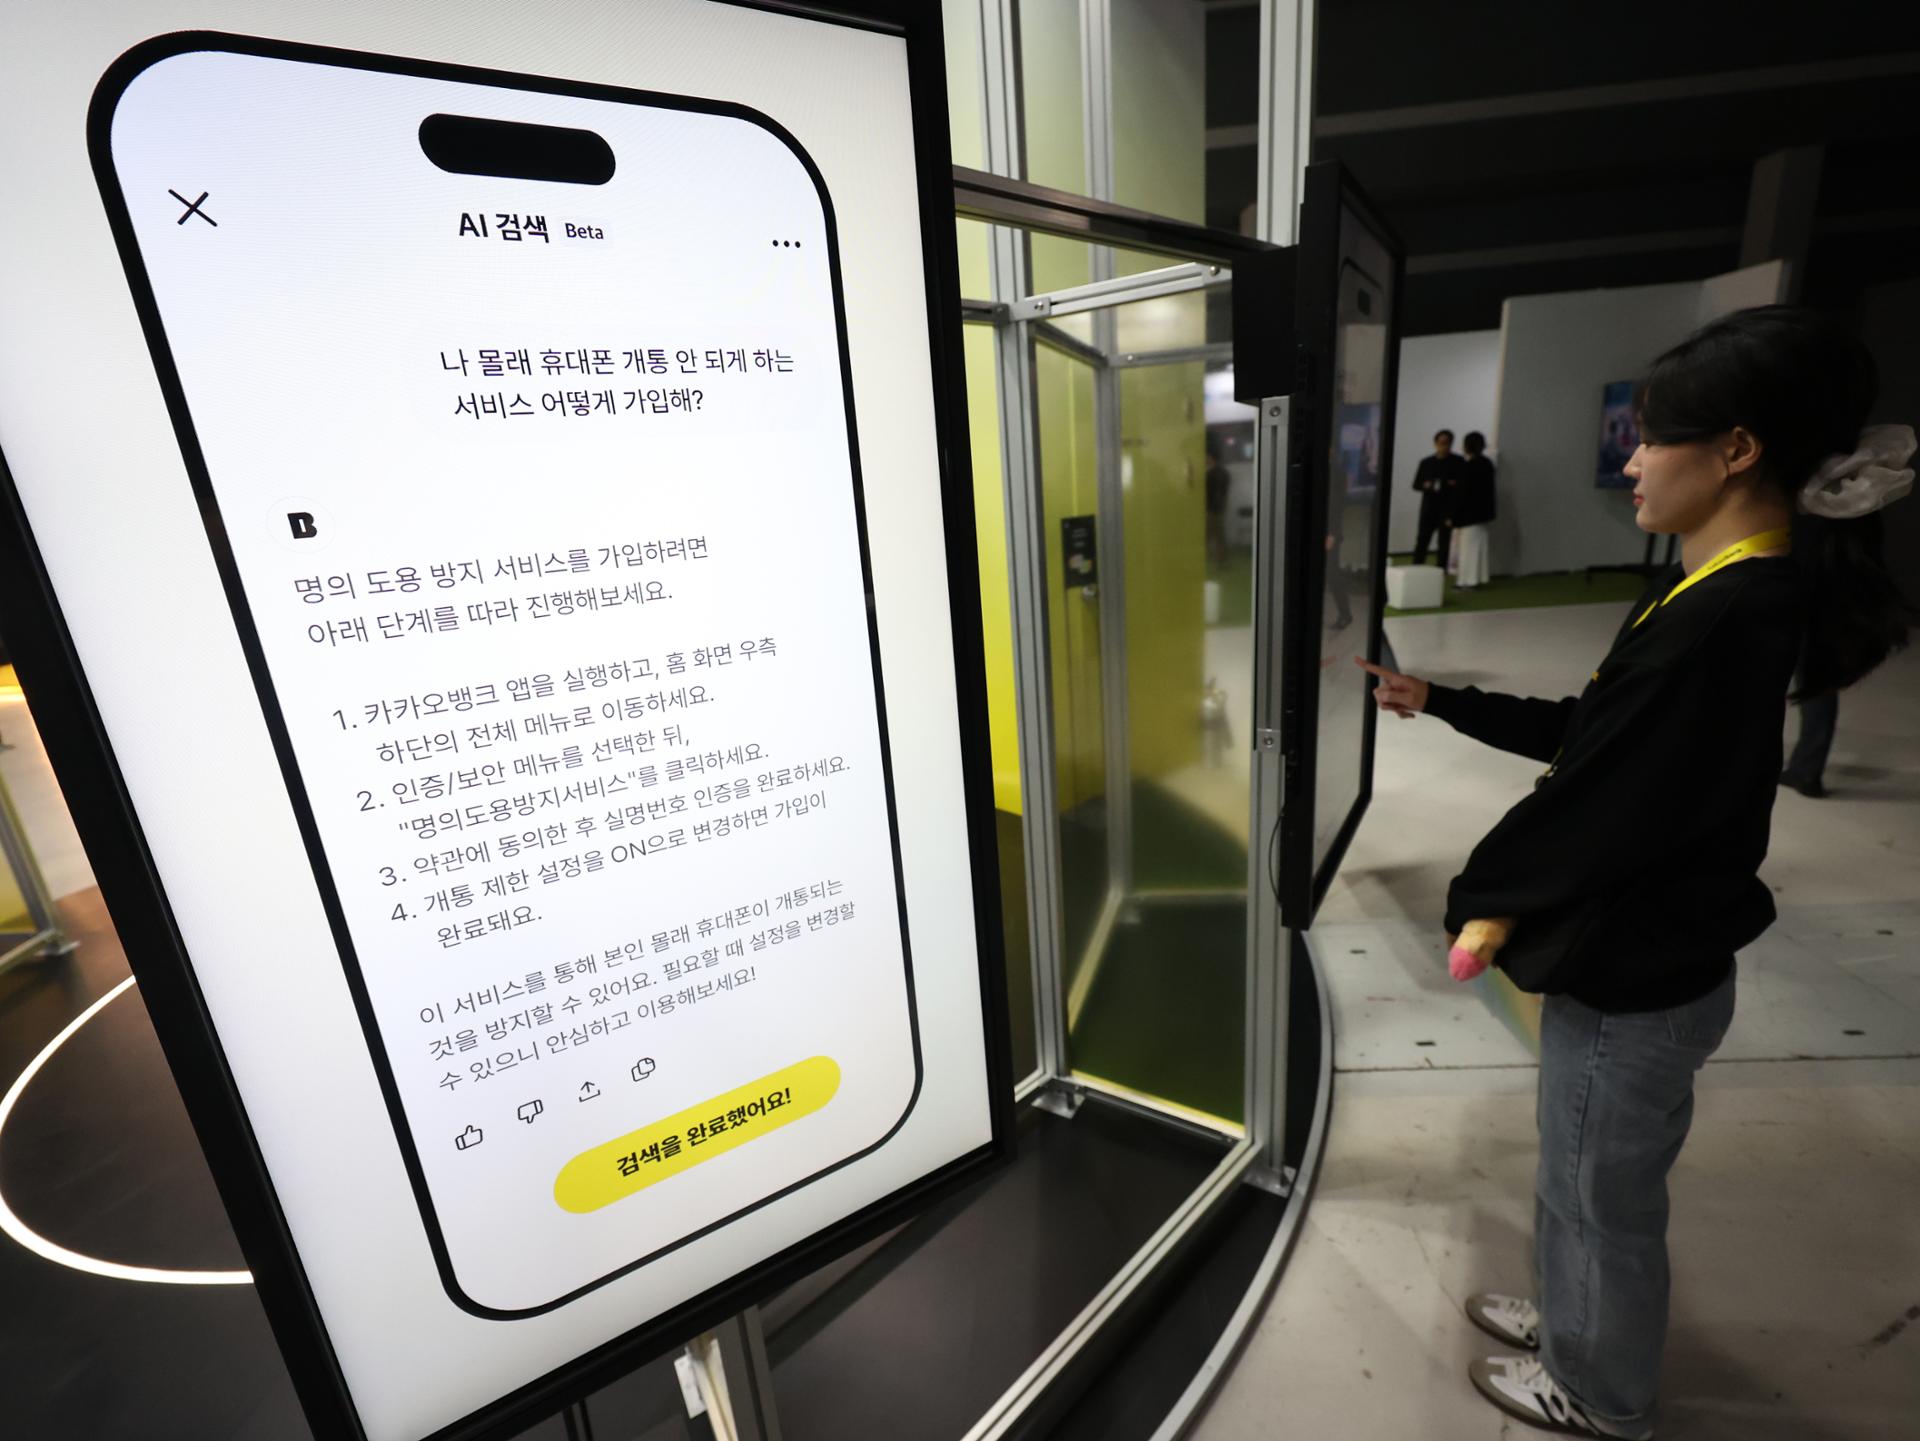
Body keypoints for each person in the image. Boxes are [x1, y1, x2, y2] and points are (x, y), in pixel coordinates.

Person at [1357, 306, 1913, 1439]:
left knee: (1601, 1199)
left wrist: (1484, 899)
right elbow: (1602, 734)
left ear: (1738, 450)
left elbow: (1603, 803)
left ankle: (1601, 1390)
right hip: (1647, 957)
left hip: (1639, 977)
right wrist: (1448, 701)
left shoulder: (1730, 618)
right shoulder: (1719, 592)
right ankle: (1573, 1322)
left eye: (1654, 439)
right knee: (1573, 1177)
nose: (1632, 461)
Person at [1410, 428, 1464, 566]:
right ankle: (1417, 565)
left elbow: (1461, 483)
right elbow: (1416, 484)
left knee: (1444, 541)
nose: (1443, 446)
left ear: (1451, 444)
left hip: (1447, 507)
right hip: (1429, 507)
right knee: (1422, 539)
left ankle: (1441, 568)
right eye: (1440, 442)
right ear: (1435, 443)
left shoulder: (1458, 462)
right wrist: (1425, 485)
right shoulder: (1426, 462)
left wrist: (1450, 484)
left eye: (1446, 443)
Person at [1453, 431, 1497, 589]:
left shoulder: (1470, 466)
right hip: (1482, 514)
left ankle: (1467, 580)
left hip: (1469, 515)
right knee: (1477, 547)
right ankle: (1475, 578)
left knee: (1468, 549)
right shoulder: (1486, 464)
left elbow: (1463, 493)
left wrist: (1454, 516)